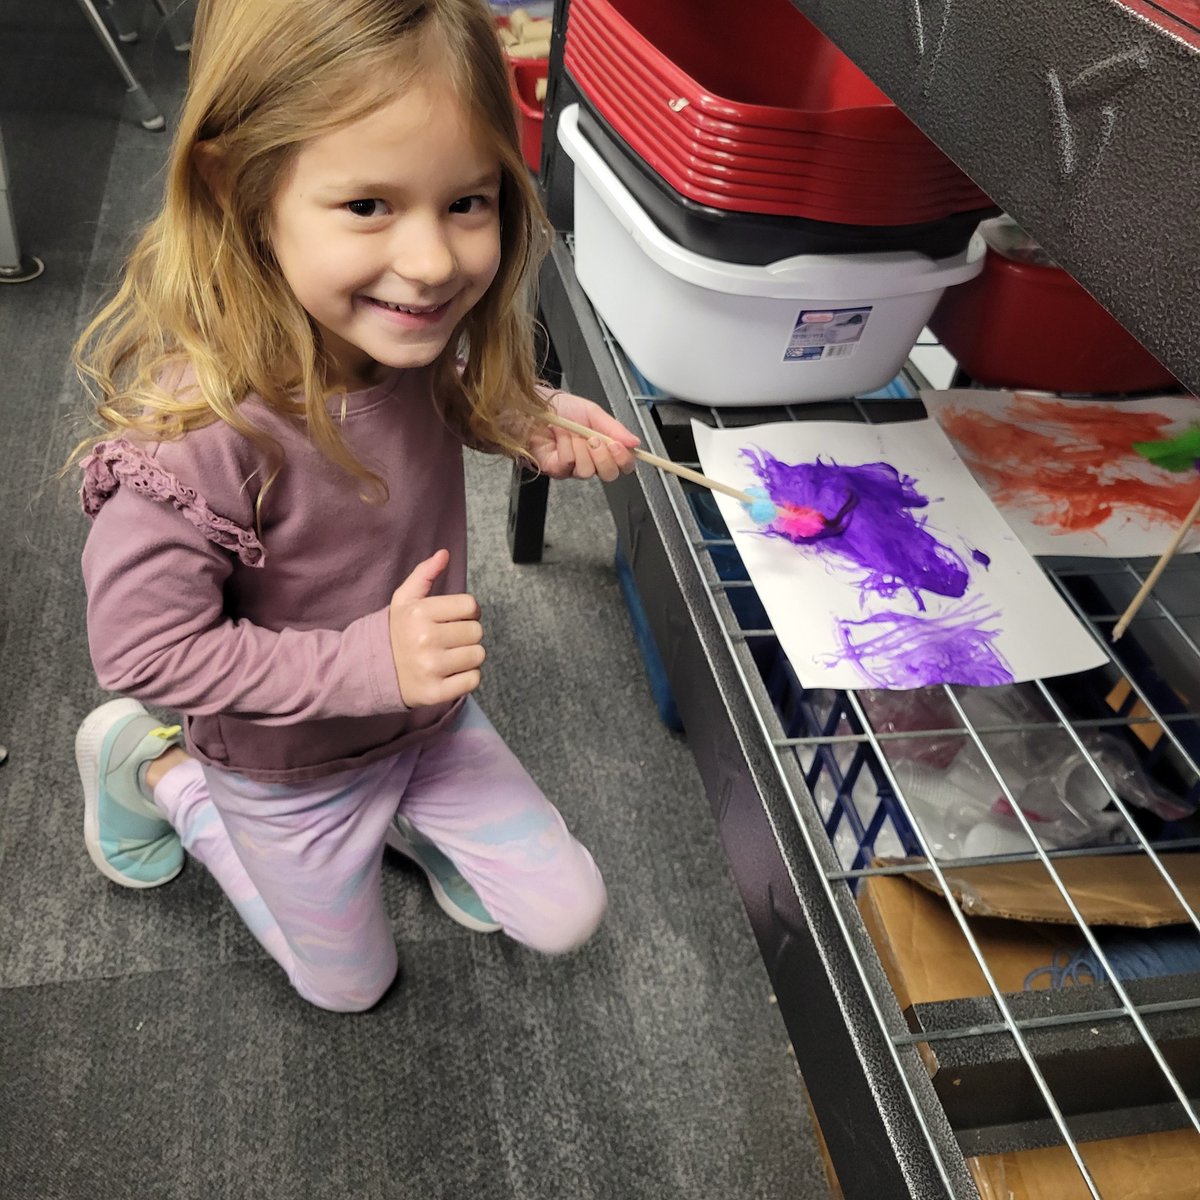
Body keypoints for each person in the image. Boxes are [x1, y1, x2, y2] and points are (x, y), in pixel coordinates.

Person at [69, 0, 641, 1013]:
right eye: (369, 206)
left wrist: (525, 413)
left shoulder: (396, 334)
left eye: (467, 201)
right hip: (283, 774)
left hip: (428, 727)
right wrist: (367, 663)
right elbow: (140, 653)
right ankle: (156, 777)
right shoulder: (189, 439)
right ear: (237, 184)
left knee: (570, 914)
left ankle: (405, 822)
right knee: (350, 989)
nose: (429, 263)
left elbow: (429, 407)